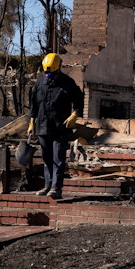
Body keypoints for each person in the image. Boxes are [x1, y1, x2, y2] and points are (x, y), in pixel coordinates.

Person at [27, 52, 84, 199]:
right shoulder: (39, 83)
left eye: (51, 73)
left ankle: (56, 188)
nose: (49, 76)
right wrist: (31, 123)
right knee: (46, 158)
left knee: (58, 157)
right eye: (47, 74)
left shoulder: (68, 83)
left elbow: (79, 99)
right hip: (42, 127)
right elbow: (33, 105)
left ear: (58, 69)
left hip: (60, 127)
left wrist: (75, 114)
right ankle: (47, 185)